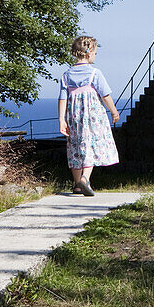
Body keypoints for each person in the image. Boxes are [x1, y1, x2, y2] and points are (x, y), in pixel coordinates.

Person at [58, 35, 120, 196]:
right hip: (92, 117)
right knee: (90, 145)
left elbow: (62, 98)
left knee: (75, 146)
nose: (95, 56)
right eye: (95, 53)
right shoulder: (95, 73)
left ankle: (77, 185)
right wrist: (114, 111)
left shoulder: (67, 75)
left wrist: (61, 120)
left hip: (73, 117)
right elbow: (105, 95)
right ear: (89, 52)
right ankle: (85, 179)